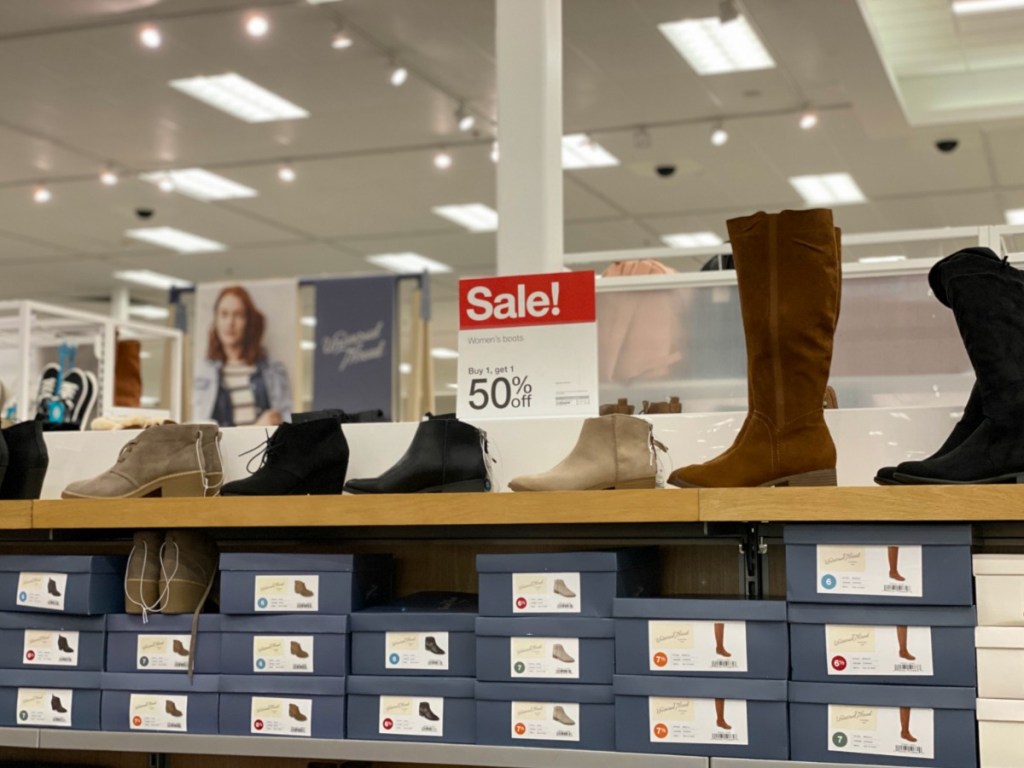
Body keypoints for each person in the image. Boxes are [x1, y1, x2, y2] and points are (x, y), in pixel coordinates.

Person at [193, 285, 292, 426]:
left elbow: (287, 421)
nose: (230, 323)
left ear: (248, 322)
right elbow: (200, 428)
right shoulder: (204, 372)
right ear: (216, 320)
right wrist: (257, 427)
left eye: (238, 315)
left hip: (264, 447)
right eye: (224, 314)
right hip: (222, 448)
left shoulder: (273, 369)